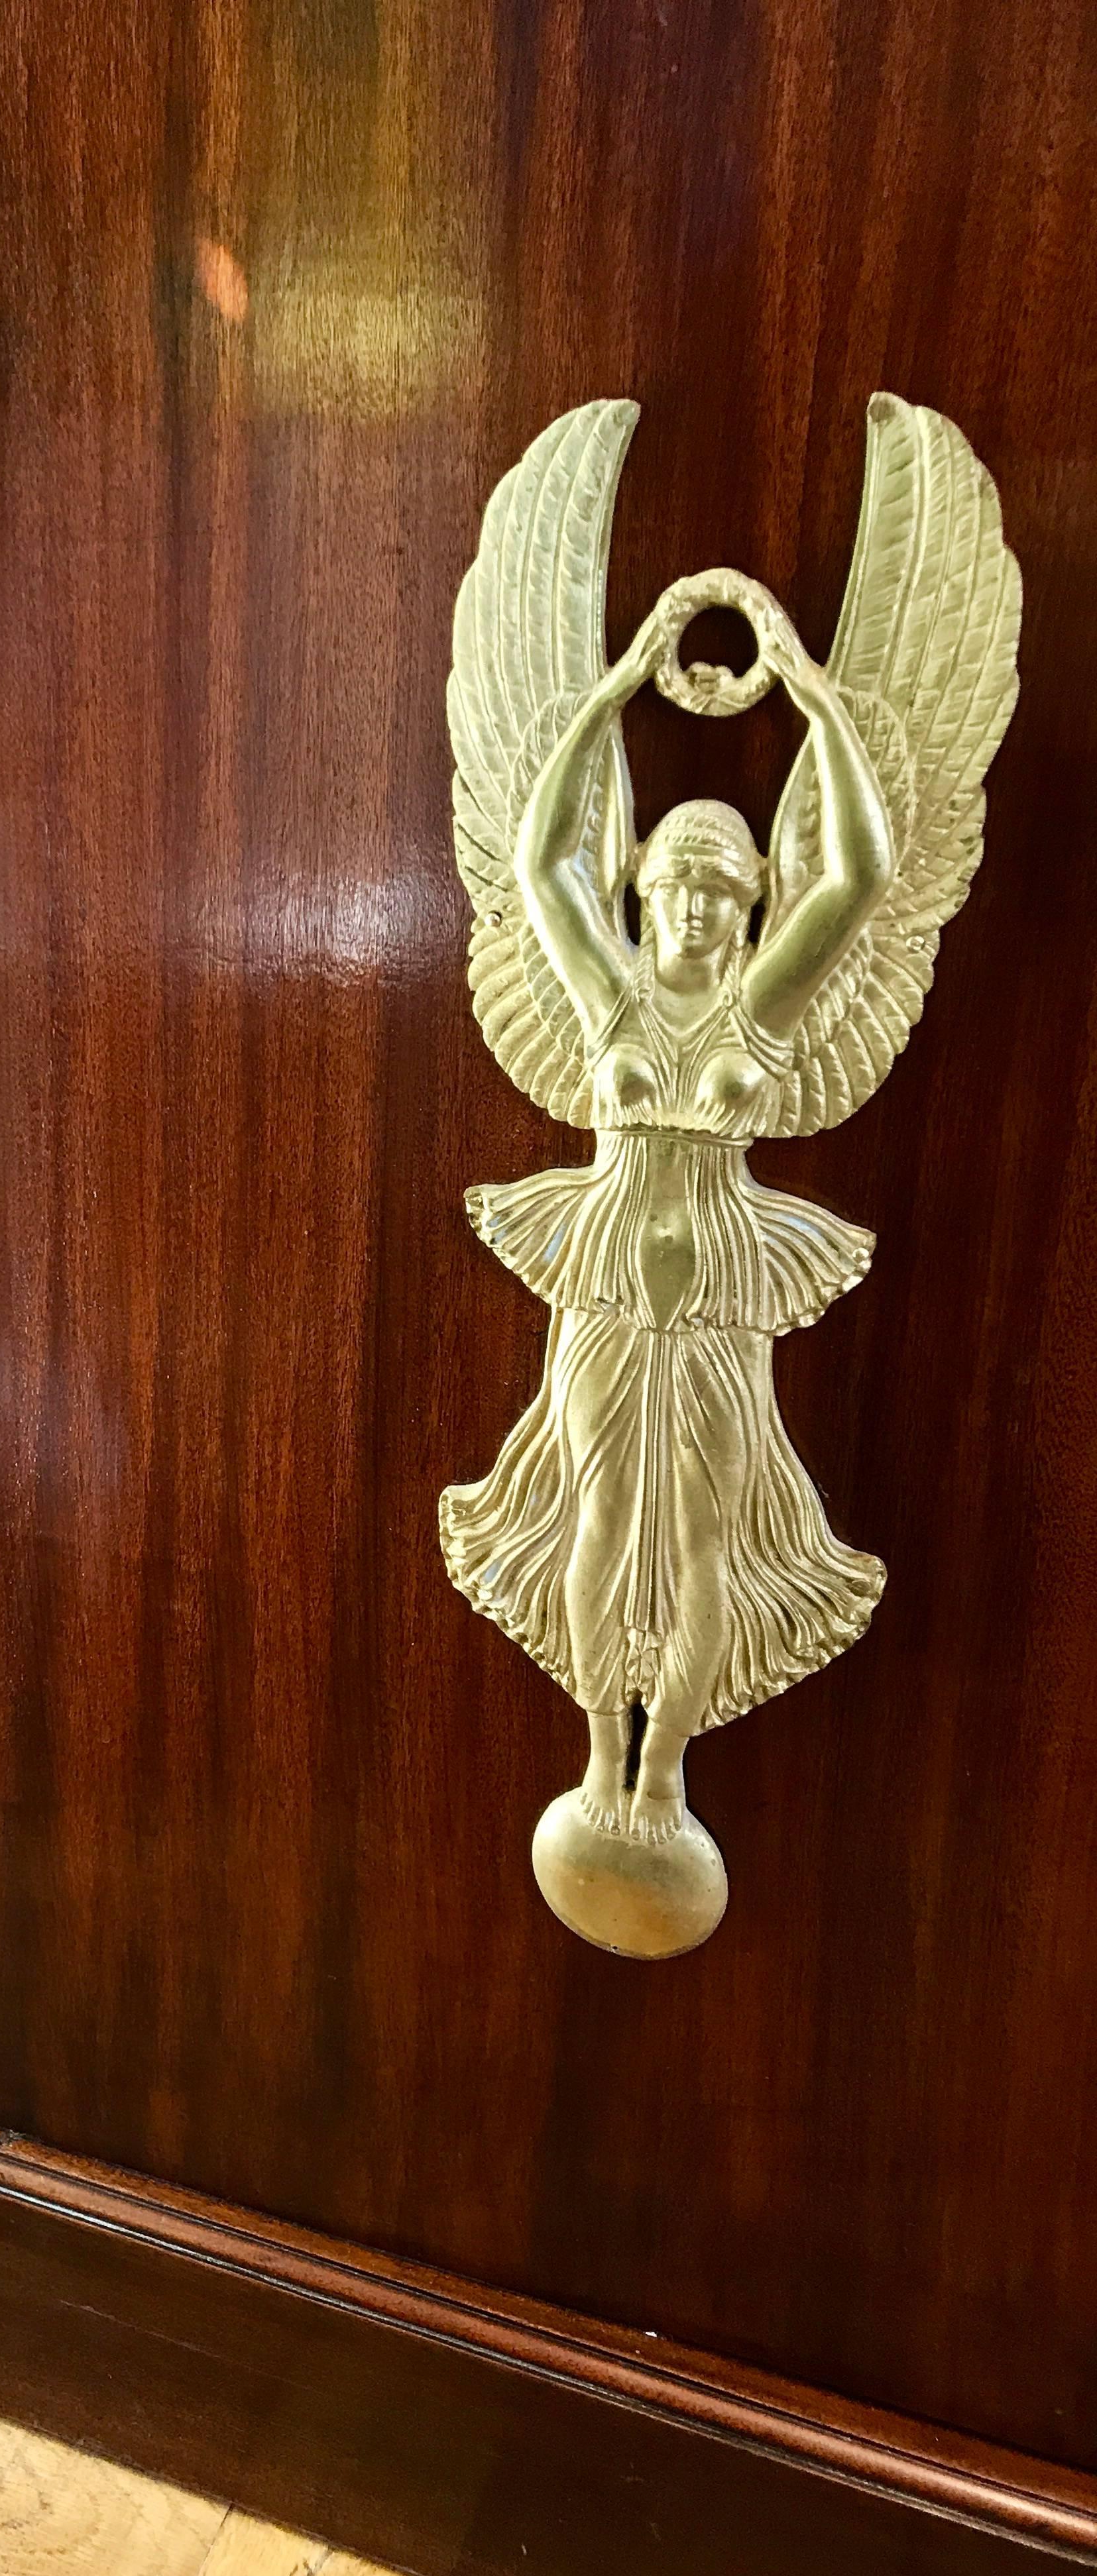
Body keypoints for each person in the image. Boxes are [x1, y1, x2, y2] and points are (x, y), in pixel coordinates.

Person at [439, 586, 894, 1841]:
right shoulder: (609, 999)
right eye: (678, 884)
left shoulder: (768, 1006)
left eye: (722, 889)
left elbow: (861, 872)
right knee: (591, 1514)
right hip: (599, 1279)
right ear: (644, 889)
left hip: (724, 1292)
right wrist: (616, 685)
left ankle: (666, 1772)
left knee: (704, 1540)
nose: (697, 906)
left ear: (751, 903)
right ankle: (597, 1756)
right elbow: (543, 863)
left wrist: (817, 698)